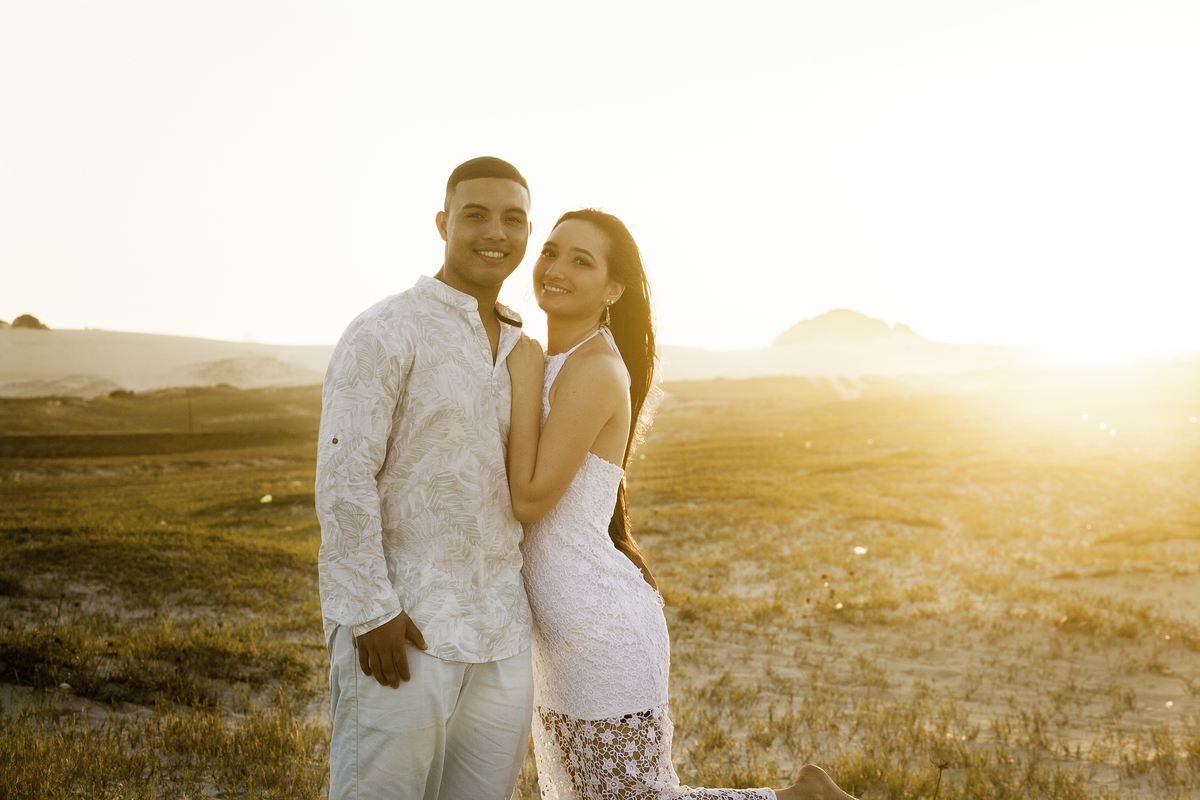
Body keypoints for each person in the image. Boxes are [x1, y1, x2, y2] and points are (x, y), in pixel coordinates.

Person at [506, 209, 855, 800]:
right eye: (551, 250)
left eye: (581, 260)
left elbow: (531, 498)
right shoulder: (550, 359)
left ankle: (800, 799)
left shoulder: (593, 368)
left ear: (614, 288)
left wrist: (518, 376)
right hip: (561, 631)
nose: (555, 268)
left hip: (602, 629)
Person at [315, 156, 537, 800]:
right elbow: (344, 471)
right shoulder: (386, 329)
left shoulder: (523, 346)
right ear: (443, 223)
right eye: (475, 215)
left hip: (500, 634)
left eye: (513, 219)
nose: (495, 232)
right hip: (403, 626)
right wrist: (369, 610)